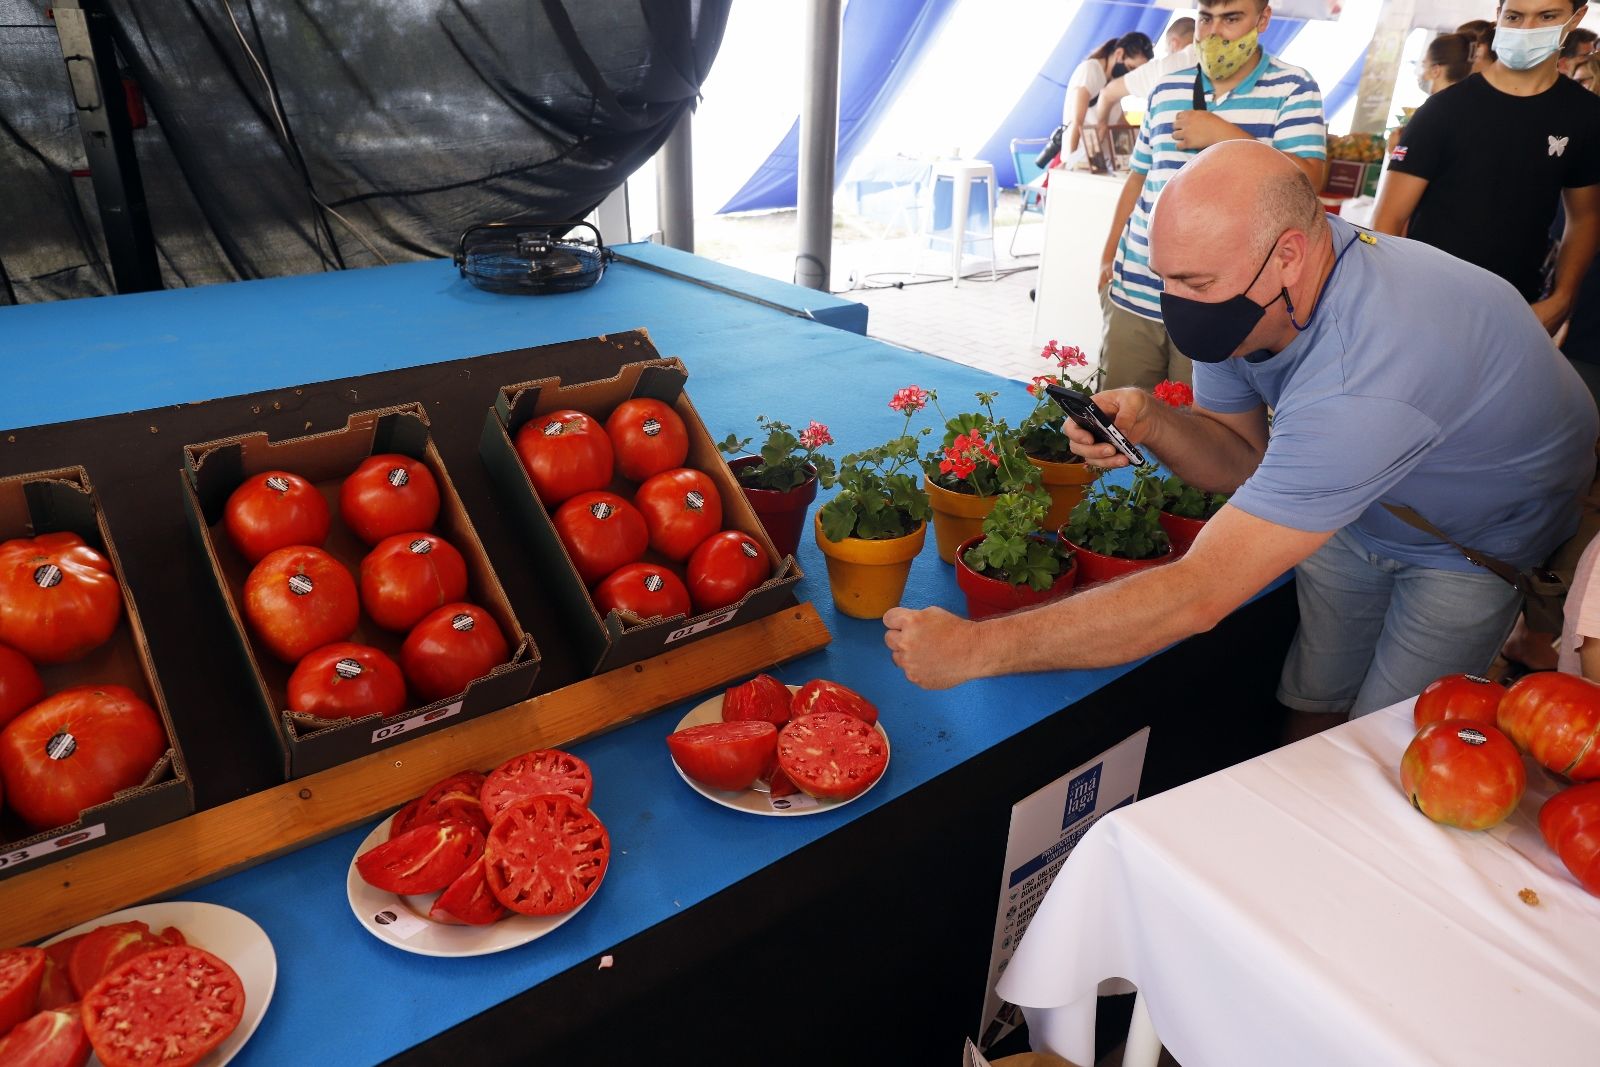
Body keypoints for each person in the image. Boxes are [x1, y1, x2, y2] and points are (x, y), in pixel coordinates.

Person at [883, 142, 1598, 728]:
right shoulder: (1260, 285)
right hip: (1359, 506)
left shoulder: (1366, 370)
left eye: (1195, 283)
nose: (1179, 309)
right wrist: (1153, 418)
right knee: (1315, 690)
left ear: (1288, 254)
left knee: (1389, 737)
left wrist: (976, 648)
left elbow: (1197, 595)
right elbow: (1241, 457)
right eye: (1166, 280)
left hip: (1469, 542)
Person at [1095, 0, 1326, 392]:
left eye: (1231, 18)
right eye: (1206, 18)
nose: (1214, 32)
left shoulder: (1293, 88)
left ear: (1262, 19)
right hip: (1135, 290)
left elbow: (1309, 180)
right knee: (1116, 428)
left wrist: (1224, 133)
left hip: (1221, 302)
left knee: (1199, 434)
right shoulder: (1167, 88)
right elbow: (1138, 178)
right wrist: (1107, 258)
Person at [1373, 0, 1600, 337]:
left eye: (1547, 16)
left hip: (1519, 310)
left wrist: (1563, 297)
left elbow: (1585, 216)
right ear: (1499, 15)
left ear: (1576, 17)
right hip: (1424, 305)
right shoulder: (1445, 109)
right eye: (1514, 16)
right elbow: (1388, 220)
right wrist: (1389, 300)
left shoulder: (1585, 115)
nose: (1527, 30)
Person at [1063, 33, 1155, 167]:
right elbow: (1077, 121)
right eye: (1131, 68)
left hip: (1100, 164)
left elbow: (1121, 124)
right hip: (1080, 161)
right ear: (1119, 53)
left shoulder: (1114, 85)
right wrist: (1070, 162)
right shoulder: (1091, 70)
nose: (1130, 75)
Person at [1092, 17, 1198, 129]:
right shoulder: (1214, 59)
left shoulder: (1161, 67)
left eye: (1167, 50)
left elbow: (1107, 93)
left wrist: (1102, 124)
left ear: (1173, 43)